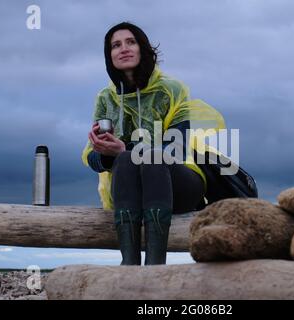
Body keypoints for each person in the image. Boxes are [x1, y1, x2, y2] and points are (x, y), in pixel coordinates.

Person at [82, 22, 225, 265]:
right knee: (126, 158)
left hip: (179, 183)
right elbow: (93, 160)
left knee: (147, 156)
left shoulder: (171, 90)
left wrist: (124, 149)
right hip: (131, 191)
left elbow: (176, 150)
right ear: (109, 56)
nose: (123, 49)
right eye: (115, 45)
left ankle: (155, 264)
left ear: (143, 48)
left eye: (131, 42)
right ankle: (130, 264)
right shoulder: (105, 98)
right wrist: (106, 153)